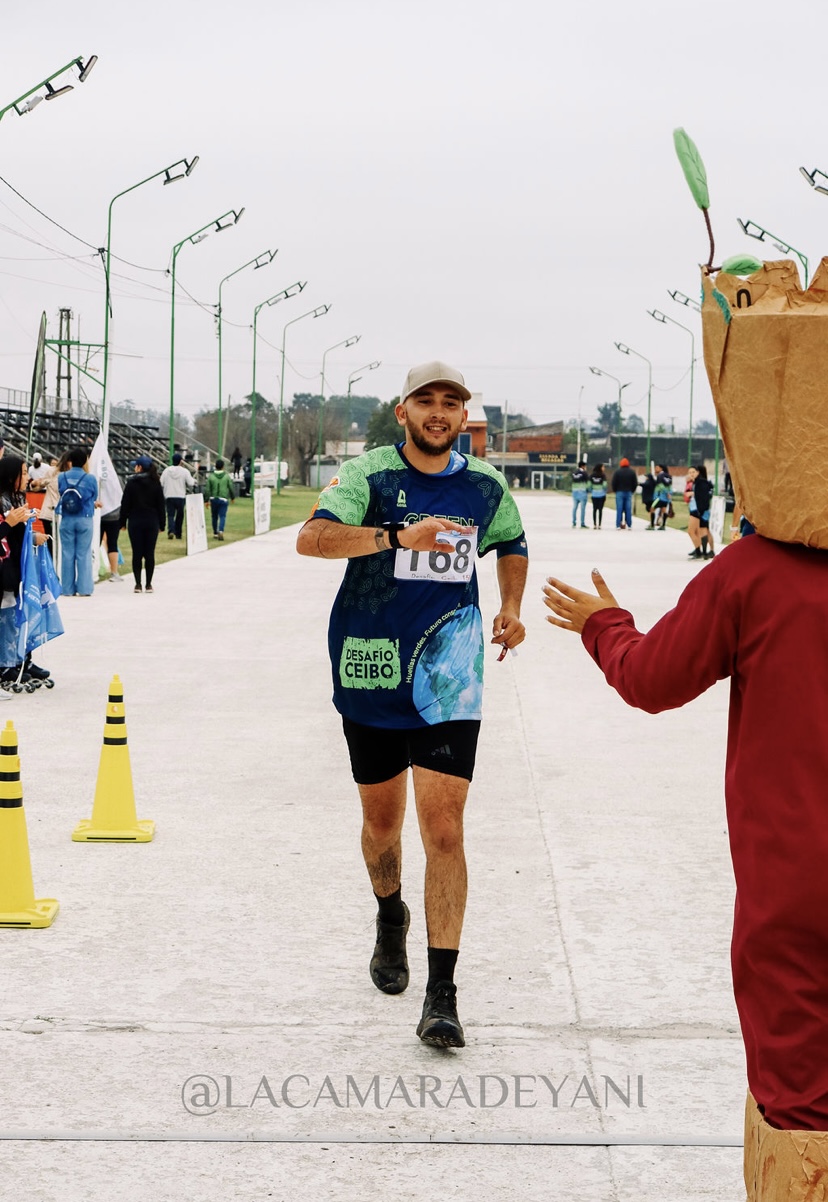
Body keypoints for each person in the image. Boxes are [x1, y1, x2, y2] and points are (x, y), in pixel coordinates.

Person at [542, 538, 828, 1134]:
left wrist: (605, 627)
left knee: (803, 1118)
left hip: (795, 888)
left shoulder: (754, 571)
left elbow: (654, 679)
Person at [296, 360, 528, 1049]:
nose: (438, 411)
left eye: (451, 403)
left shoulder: (485, 485)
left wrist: (511, 606)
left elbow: (511, 544)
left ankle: (442, 994)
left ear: (464, 418)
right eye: (425, 401)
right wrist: (397, 537)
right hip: (370, 669)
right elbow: (311, 539)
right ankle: (388, 913)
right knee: (382, 827)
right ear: (403, 412)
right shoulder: (370, 476)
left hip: (451, 675)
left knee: (446, 830)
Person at [0, 454, 50, 691]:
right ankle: (7, 663)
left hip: (19, 565)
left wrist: (32, 535)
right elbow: (5, 532)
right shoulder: (2, 500)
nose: (27, 476)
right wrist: (11, 524)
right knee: (8, 615)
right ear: (11, 477)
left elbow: (17, 534)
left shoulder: (16, 498)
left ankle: (21, 660)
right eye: (22, 472)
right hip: (5, 567)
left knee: (22, 612)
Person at [56, 447, 99, 597]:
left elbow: (60, 492)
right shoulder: (90, 478)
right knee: (83, 553)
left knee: (67, 553)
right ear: (85, 461)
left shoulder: (62, 477)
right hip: (85, 517)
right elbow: (94, 496)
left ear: (70, 461)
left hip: (67, 517)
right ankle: (84, 588)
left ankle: (67, 588)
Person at [119, 456, 165, 593]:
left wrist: (122, 522)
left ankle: (138, 584)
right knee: (149, 553)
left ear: (139, 467)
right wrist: (162, 524)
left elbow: (125, 504)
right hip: (151, 521)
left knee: (137, 553)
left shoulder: (131, 483)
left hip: (135, 521)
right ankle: (149, 584)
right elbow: (161, 505)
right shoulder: (156, 483)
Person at [160, 452, 194, 541]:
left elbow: (161, 482)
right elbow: (190, 483)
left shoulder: (166, 471)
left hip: (169, 495)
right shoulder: (184, 471)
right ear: (180, 461)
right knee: (180, 515)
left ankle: (171, 530)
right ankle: (178, 533)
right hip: (180, 496)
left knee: (170, 515)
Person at [205, 458, 235, 540]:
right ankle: (221, 530)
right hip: (223, 499)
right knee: (222, 516)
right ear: (223, 467)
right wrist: (232, 497)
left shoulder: (211, 477)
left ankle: (215, 532)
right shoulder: (226, 476)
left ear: (215, 467)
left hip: (213, 499)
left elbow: (207, 489)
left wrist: (206, 500)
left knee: (214, 516)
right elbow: (231, 487)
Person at [611, 457, 638, 530]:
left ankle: (618, 525)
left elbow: (614, 482)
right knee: (628, 509)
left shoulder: (617, 472)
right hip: (628, 492)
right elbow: (635, 483)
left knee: (619, 509)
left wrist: (615, 490)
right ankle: (629, 524)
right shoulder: (632, 472)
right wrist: (632, 490)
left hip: (619, 492)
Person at [649, 464, 673, 530]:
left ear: (661, 468)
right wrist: (669, 494)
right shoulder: (669, 476)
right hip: (665, 498)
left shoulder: (660, 476)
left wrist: (666, 492)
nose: (655, 469)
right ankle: (663, 525)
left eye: (657, 467)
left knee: (652, 508)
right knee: (664, 510)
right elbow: (670, 486)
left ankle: (652, 525)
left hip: (659, 497)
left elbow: (660, 486)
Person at [570, 461, 589, 528]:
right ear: (583, 466)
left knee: (575, 508)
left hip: (575, 491)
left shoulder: (574, 473)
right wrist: (588, 490)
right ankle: (582, 523)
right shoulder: (584, 473)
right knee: (582, 509)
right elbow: (587, 482)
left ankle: (574, 522)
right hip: (582, 492)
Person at [589, 463, 607, 529]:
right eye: (603, 467)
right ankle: (599, 524)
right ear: (600, 468)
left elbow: (589, 485)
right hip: (601, 495)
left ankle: (594, 524)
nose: (604, 468)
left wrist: (592, 490)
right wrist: (604, 491)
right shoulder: (603, 475)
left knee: (594, 509)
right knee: (600, 510)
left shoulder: (591, 475)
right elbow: (604, 485)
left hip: (594, 495)